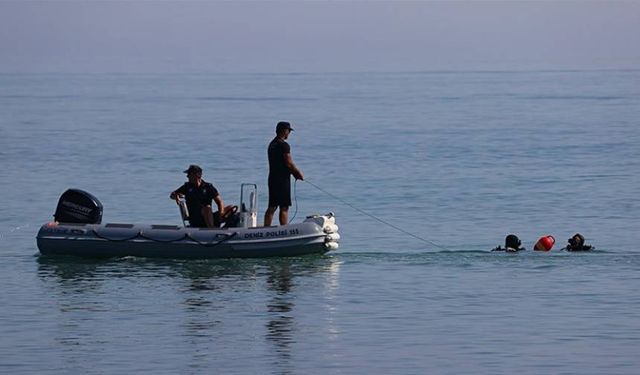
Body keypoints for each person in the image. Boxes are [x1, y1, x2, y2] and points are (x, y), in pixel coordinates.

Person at [264, 121, 304, 226]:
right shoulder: (284, 145)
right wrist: (298, 173)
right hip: (282, 180)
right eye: (288, 131)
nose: (289, 134)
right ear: (284, 131)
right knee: (284, 207)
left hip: (272, 178)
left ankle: (266, 228)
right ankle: (284, 229)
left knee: (272, 206)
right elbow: (289, 163)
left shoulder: (272, 144)